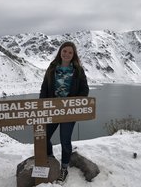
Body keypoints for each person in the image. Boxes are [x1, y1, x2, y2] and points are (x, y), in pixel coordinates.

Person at [39, 41, 89, 184]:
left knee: (65, 141)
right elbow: (44, 88)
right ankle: (51, 159)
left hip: (68, 112)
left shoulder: (78, 70)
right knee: (44, 137)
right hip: (52, 110)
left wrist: (74, 103)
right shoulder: (52, 68)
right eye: (64, 51)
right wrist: (42, 105)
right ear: (60, 51)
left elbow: (84, 90)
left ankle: (64, 168)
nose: (66, 54)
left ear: (73, 55)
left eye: (70, 52)